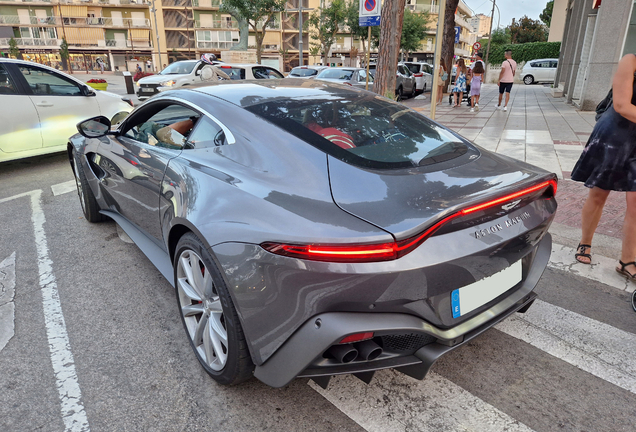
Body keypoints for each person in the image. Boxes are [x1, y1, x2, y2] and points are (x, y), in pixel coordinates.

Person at [570, 53, 636, 283]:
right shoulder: (631, 61)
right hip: (616, 137)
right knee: (599, 194)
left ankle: (627, 260)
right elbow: (621, 105)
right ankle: (585, 242)